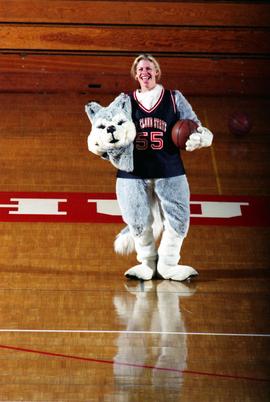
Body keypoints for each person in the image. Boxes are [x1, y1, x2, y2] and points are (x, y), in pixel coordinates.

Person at [115, 54, 213, 281]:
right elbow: (109, 126)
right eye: (140, 69)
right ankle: (147, 263)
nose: (144, 72)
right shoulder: (124, 101)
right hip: (133, 171)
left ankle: (168, 264)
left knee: (178, 218)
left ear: (157, 72)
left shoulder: (174, 98)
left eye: (149, 68)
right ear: (135, 73)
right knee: (137, 219)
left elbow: (195, 125)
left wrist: (202, 136)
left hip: (169, 168)